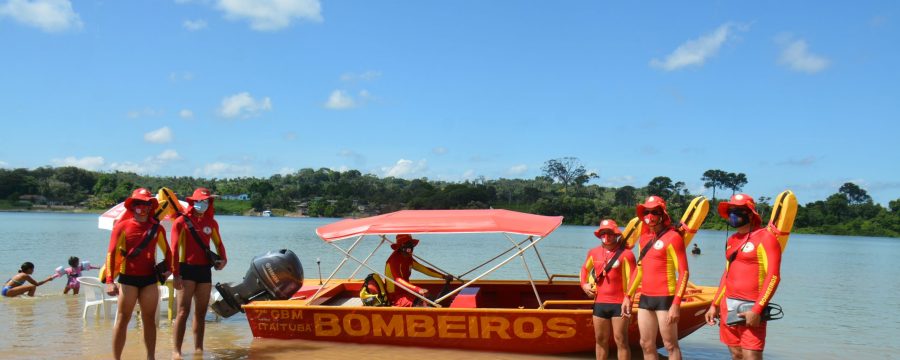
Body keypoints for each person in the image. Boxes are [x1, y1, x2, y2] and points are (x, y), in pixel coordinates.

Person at [704, 194, 782, 360]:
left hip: (751, 307)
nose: (734, 215)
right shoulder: (732, 239)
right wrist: (714, 304)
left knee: (751, 355)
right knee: (736, 355)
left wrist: (757, 309)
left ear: (750, 213)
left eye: (739, 211)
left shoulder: (766, 238)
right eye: (731, 211)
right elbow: (727, 274)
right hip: (728, 306)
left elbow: (773, 276)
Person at [104, 188, 173, 360]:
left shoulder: (157, 229)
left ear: (151, 207)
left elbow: (169, 253)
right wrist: (110, 281)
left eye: (146, 204)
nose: (142, 207)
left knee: (149, 320)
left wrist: (169, 270)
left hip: (149, 280)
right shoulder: (122, 227)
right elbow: (111, 254)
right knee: (123, 319)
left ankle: (151, 357)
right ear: (132, 206)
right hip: (128, 280)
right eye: (139, 204)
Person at [626, 196, 689, 360]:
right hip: (645, 299)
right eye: (646, 212)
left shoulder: (673, 237)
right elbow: (639, 269)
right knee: (645, 344)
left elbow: (684, 272)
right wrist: (628, 296)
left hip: (665, 299)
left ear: (662, 214)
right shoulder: (644, 239)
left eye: (654, 212)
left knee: (670, 345)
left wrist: (676, 304)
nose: (650, 215)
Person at [170, 187, 227, 359]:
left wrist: (224, 260)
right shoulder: (180, 221)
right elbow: (173, 250)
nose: (202, 204)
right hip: (185, 269)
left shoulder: (212, 223)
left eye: (205, 201)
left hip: (204, 271)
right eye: (199, 201)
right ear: (192, 202)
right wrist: (176, 274)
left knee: (201, 313)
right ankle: (176, 351)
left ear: (209, 203)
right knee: (182, 312)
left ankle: (198, 350)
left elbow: (219, 244)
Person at [580, 219, 636, 360]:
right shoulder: (593, 252)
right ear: (600, 235)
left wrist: (628, 299)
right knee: (600, 340)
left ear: (616, 234)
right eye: (603, 233)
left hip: (619, 303)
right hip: (599, 303)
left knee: (621, 340)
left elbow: (633, 279)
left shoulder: (627, 254)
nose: (606, 236)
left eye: (610, 233)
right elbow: (584, 269)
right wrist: (584, 284)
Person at [384, 234, 453, 307]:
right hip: (396, 298)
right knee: (424, 304)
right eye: (408, 248)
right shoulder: (394, 260)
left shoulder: (408, 258)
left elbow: (424, 269)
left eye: (411, 247)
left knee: (430, 298)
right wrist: (418, 289)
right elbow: (398, 279)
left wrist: (443, 276)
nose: (410, 251)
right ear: (401, 247)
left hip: (407, 292)